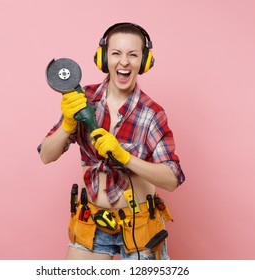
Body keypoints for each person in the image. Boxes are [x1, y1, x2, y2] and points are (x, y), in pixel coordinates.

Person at [39, 22, 185, 260]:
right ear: (104, 58)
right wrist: (67, 126)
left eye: (133, 55)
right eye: (116, 53)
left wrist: (125, 157)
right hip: (92, 224)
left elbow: (171, 180)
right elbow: (46, 155)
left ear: (144, 62)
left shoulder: (151, 113)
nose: (124, 62)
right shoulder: (82, 100)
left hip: (139, 227)